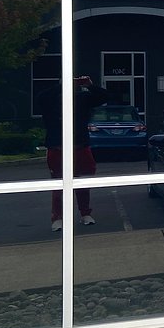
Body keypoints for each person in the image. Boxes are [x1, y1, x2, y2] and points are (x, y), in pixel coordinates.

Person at [37, 75, 110, 231]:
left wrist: (89, 85)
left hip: (80, 147)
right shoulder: (50, 99)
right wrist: (63, 85)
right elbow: (40, 98)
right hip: (58, 148)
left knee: (83, 182)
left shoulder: (82, 98)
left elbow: (105, 97)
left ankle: (85, 213)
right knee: (58, 184)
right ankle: (57, 218)